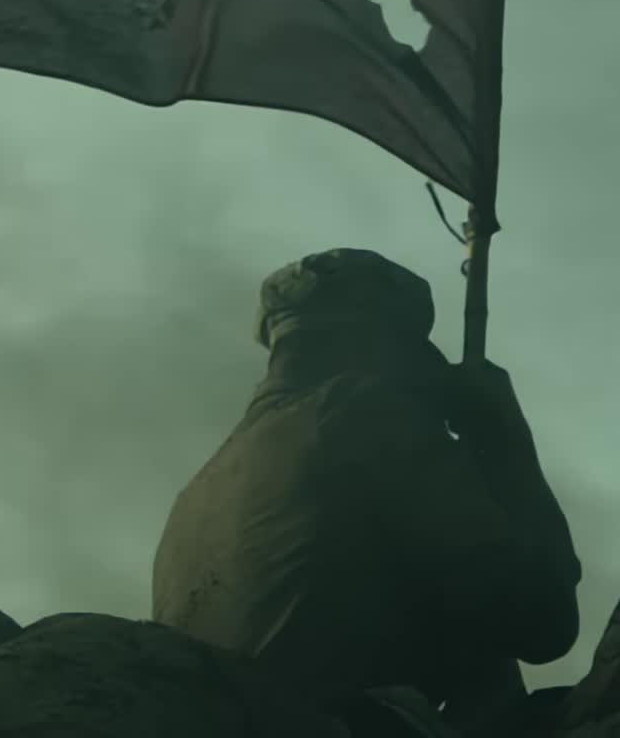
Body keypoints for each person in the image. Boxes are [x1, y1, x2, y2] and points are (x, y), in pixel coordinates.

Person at [151, 248, 583, 724]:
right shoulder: (359, 411)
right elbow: (542, 620)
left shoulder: (194, 492)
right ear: (385, 346)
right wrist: (505, 438)